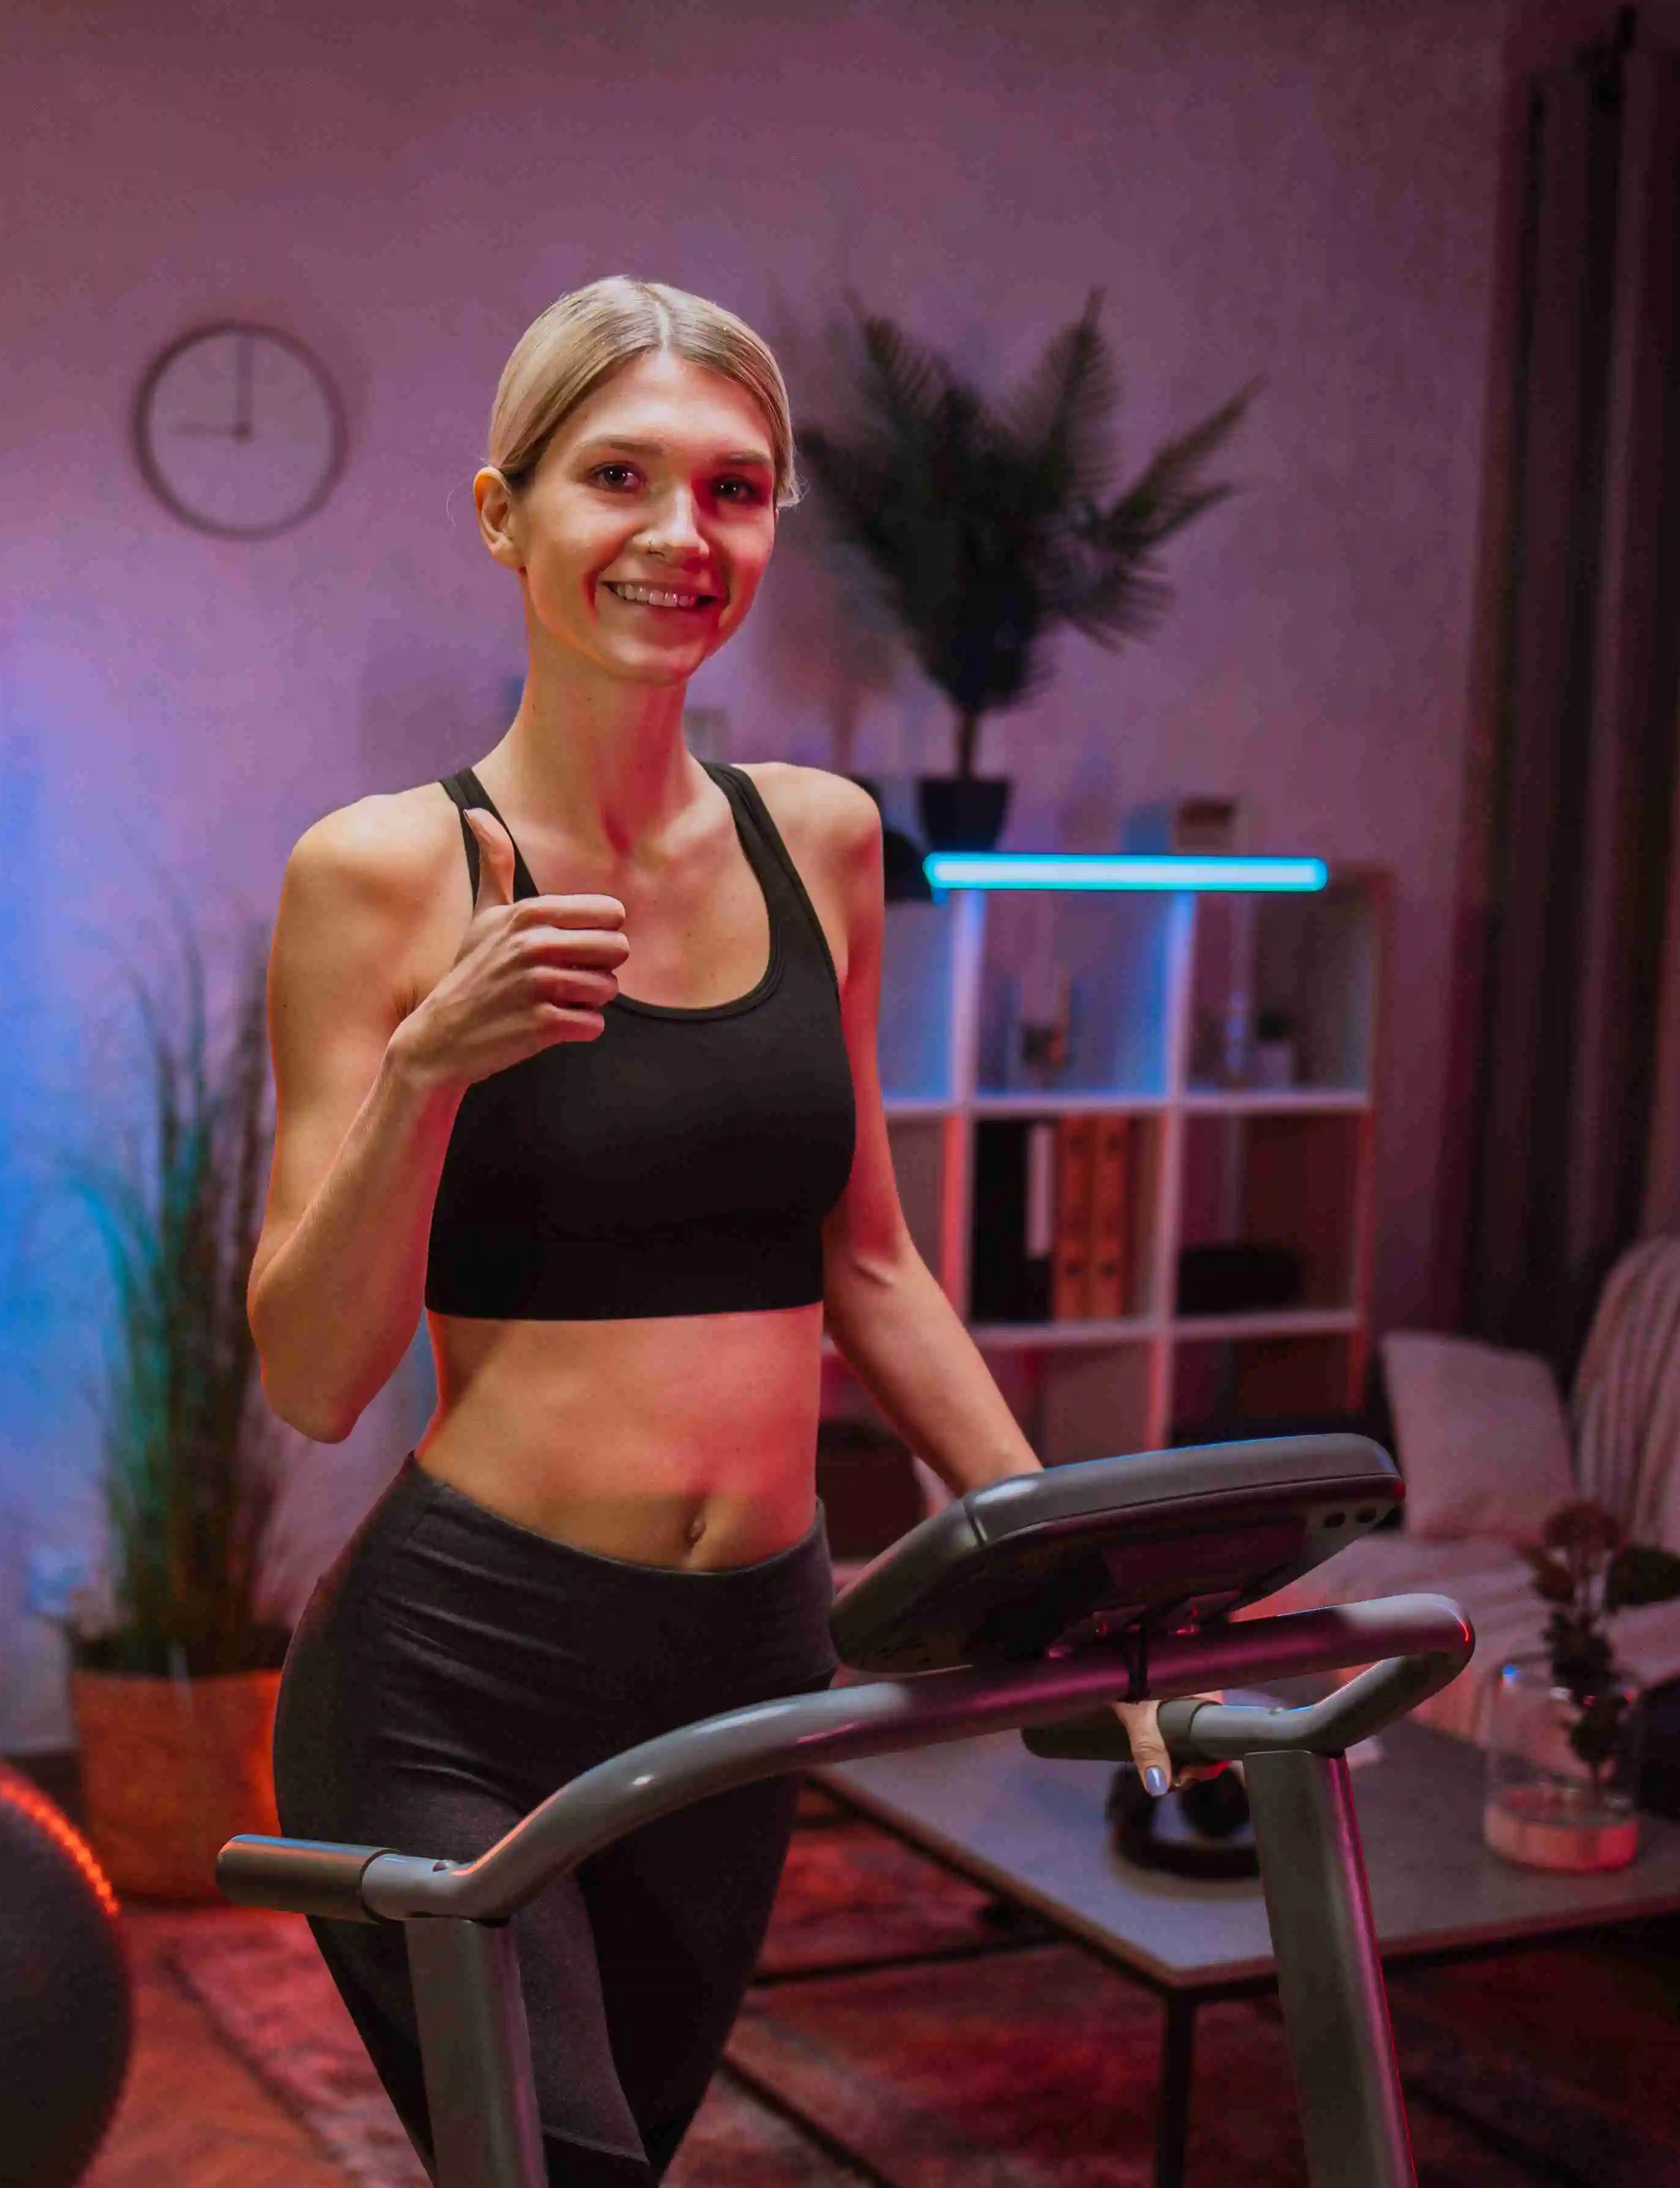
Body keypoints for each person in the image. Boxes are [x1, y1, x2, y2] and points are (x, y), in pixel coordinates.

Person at [248, 276, 1046, 2188]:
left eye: (735, 490)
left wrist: (1069, 1556)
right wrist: (429, 1068)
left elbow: (869, 1265)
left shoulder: (826, 840)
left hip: (750, 1656)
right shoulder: (376, 873)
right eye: (619, 477)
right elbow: (311, 1374)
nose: (682, 537)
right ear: (501, 512)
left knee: (632, 2152)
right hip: (460, 1669)